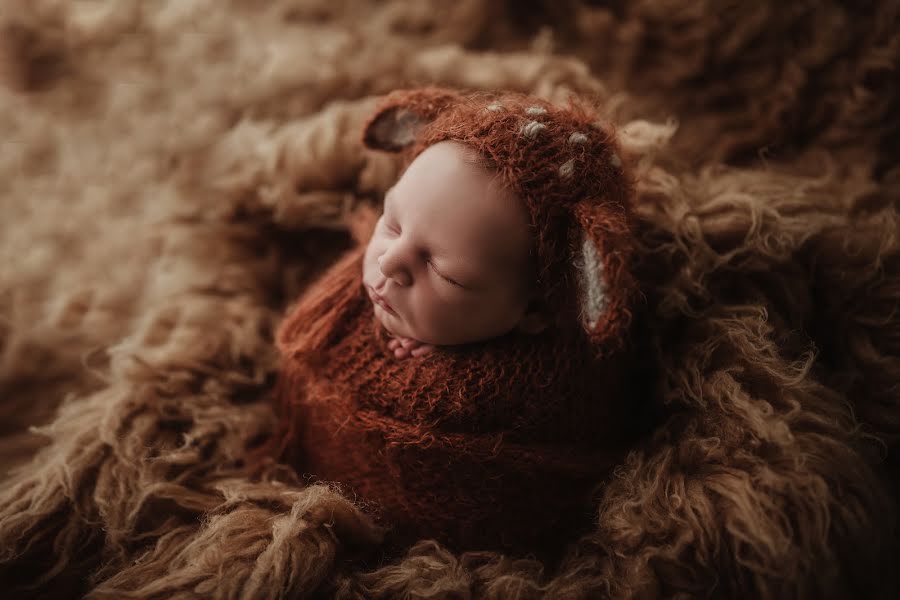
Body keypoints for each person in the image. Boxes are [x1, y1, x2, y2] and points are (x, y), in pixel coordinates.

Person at [272, 87, 647, 565]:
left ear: (538, 311)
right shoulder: (350, 301)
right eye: (391, 223)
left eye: (444, 272)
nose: (388, 263)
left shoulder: (541, 402)